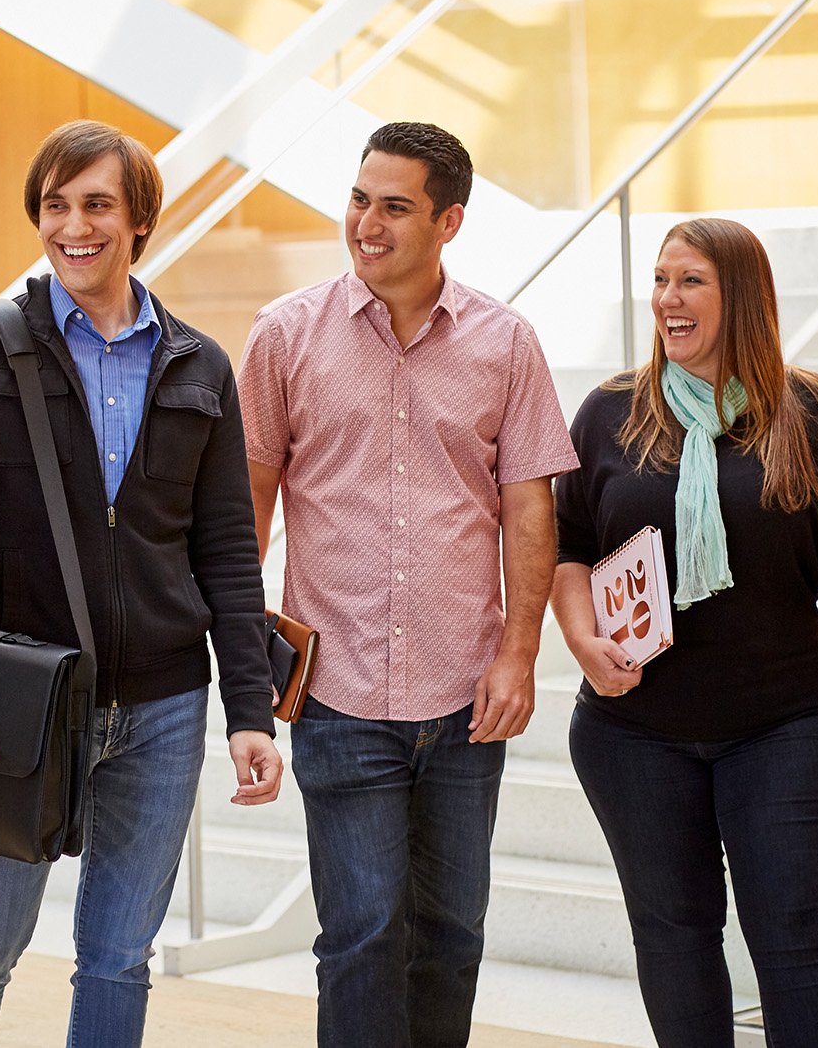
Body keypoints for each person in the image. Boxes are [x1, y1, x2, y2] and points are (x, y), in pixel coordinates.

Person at [0, 119, 283, 1047]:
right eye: (54, 206)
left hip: (164, 707)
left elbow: (227, 552)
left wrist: (250, 710)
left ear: (140, 217)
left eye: (97, 204)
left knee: (117, 958)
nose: (74, 226)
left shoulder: (199, 364)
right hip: (18, 703)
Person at [238, 121, 579, 1046]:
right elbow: (245, 514)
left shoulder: (506, 344)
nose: (368, 223)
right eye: (359, 199)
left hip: (466, 696)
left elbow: (530, 511)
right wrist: (244, 671)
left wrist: (520, 651)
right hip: (338, 691)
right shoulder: (283, 336)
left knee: (451, 933)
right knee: (361, 935)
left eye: (395, 206)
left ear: (449, 220)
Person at [550, 218, 818, 1046]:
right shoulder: (609, 413)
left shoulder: (812, 413)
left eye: (691, 281)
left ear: (741, 293)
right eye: (661, 281)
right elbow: (567, 545)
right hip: (633, 732)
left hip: (783, 727)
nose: (668, 299)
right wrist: (579, 639)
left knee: (796, 939)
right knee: (672, 936)